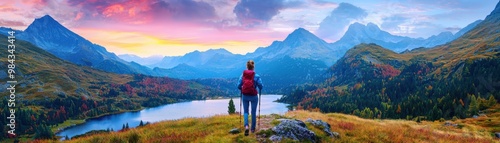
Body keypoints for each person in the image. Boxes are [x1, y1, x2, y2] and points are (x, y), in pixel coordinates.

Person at [237, 60, 263, 136]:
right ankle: (253, 129)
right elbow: (261, 86)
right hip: (254, 96)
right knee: (253, 112)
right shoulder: (256, 76)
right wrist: (258, 87)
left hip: (245, 95)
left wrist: (242, 89)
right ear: (253, 67)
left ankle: (246, 126)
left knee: (245, 111)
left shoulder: (243, 75)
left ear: (247, 67)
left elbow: (238, 85)